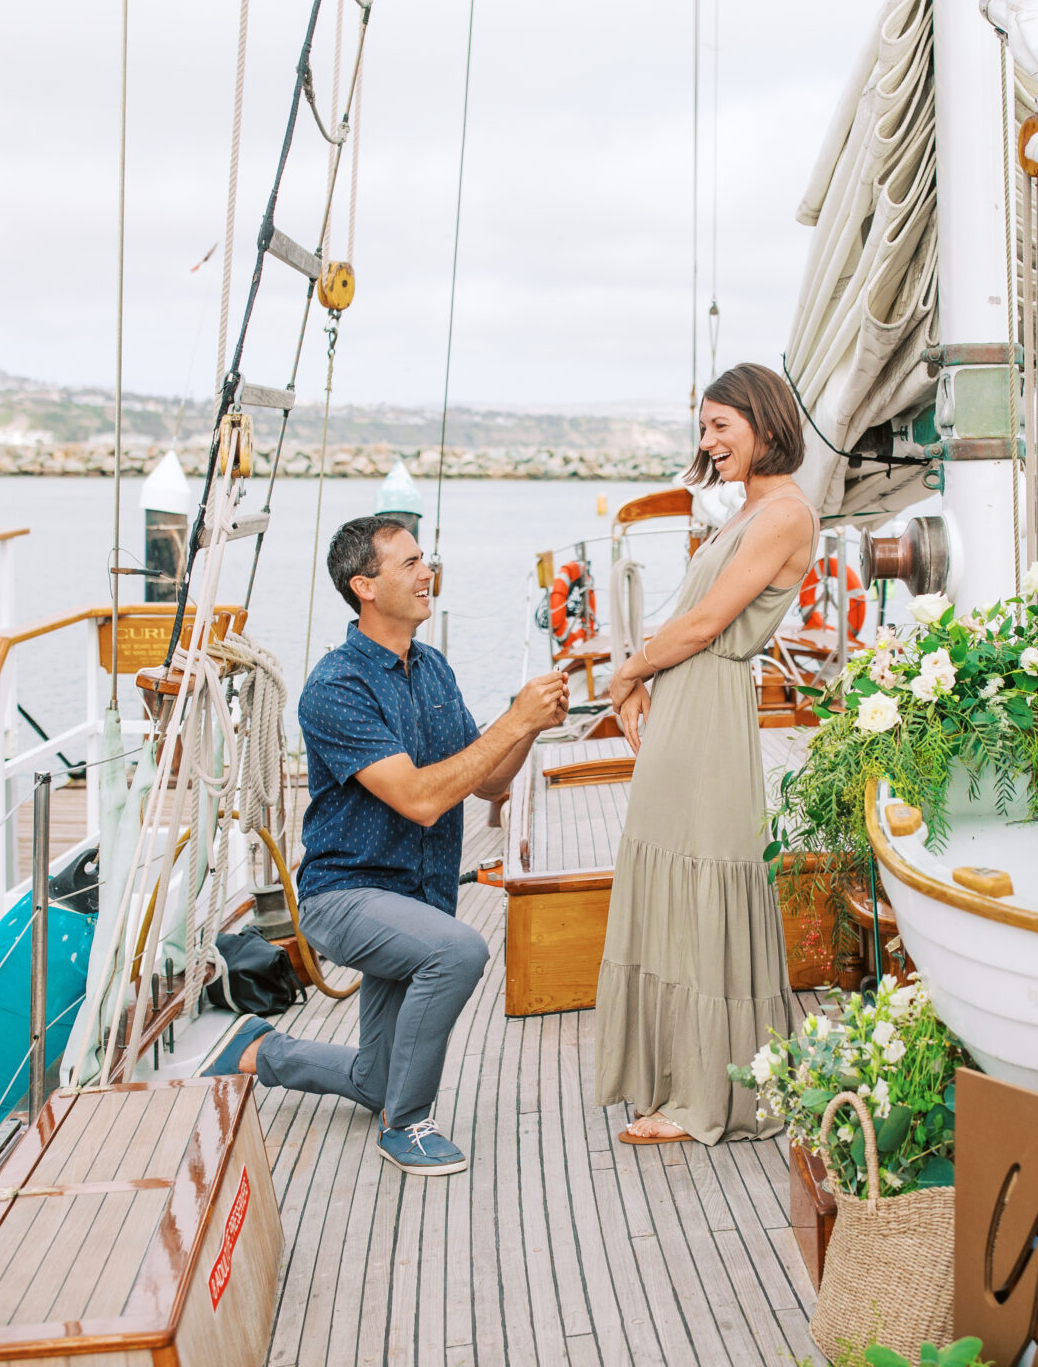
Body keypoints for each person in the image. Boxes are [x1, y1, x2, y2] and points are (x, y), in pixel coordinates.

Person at [202, 514, 570, 1175]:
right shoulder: (336, 686)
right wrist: (510, 717)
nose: (427, 573)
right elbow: (422, 799)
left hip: (418, 898)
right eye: (409, 563)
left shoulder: (432, 669)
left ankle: (256, 1049)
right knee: (458, 953)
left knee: (375, 1077)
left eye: (424, 559)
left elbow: (486, 784)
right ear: (364, 586)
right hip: (347, 895)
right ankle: (408, 1125)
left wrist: (530, 728)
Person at [593, 362, 817, 1145]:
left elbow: (706, 623)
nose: (709, 440)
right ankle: (674, 1073)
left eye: (722, 424)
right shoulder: (745, 511)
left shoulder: (784, 512)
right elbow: (689, 623)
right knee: (668, 871)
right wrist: (641, 680)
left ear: (765, 421)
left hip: (711, 705)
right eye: (703, 427)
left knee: (706, 880)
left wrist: (626, 670)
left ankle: (709, 1094)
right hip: (687, 701)